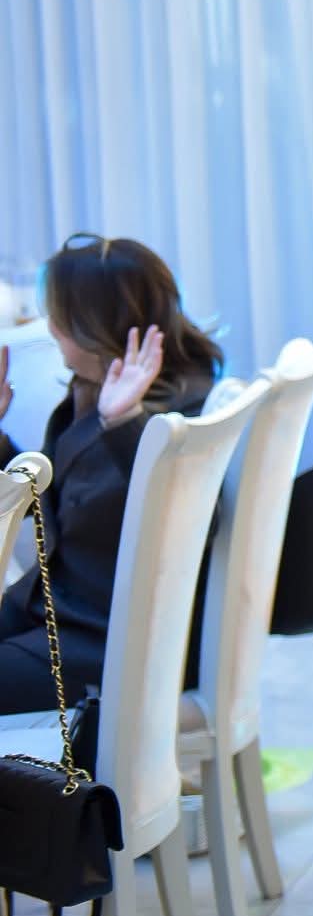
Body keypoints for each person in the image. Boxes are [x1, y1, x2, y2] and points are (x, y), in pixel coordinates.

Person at [0, 234, 219, 715]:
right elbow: (46, 497)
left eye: (58, 317)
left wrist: (124, 423)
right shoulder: (91, 394)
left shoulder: (173, 415)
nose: (50, 329)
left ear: (92, 324)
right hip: (60, 616)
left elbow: (187, 514)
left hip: (105, 644)